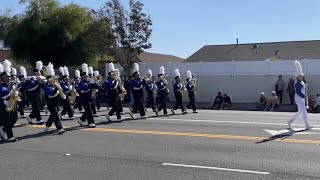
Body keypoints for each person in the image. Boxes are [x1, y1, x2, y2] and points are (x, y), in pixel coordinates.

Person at [287, 61, 312, 130]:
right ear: (298, 76)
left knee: (300, 113)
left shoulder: (301, 82)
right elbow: (298, 91)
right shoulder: (298, 82)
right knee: (304, 112)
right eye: (301, 75)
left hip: (300, 98)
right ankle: (307, 125)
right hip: (299, 98)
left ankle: (290, 122)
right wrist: (304, 96)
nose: (302, 76)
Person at [43, 63, 65, 134]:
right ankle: (59, 128)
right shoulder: (46, 86)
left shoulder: (55, 85)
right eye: (53, 79)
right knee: (55, 115)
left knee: (53, 115)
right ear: (49, 80)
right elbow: (51, 94)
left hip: (56, 103)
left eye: (54, 79)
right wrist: (56, 88)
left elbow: (60, 92)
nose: (54, 80)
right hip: (51, 104)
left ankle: (47, 127)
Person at [0, 60, 18, 142]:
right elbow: (2, 96)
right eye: (7, 77)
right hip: (4, 106)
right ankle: (10, 137)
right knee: (7, 120)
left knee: (14, 119)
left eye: (9, 76)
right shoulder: (1, 86)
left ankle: (3, 130)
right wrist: (10, 94)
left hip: (12, 104)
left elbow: (15, 94)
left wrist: (17, 94)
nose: (9, 77)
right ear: (3, 78)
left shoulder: (11, 86)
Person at [77, 63, 96, 128]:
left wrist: (94, 82)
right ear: (82, 77)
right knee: (89, 110)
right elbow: (86, 88)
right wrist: (91, 83)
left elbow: (95, 86)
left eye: (87, 76)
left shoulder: (88, 82)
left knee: (88, 110)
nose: (87, 77)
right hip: (84, 99)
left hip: (88, 98)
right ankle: (91, 122)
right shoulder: (81, 83)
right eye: (85, 77)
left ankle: (82, 120)